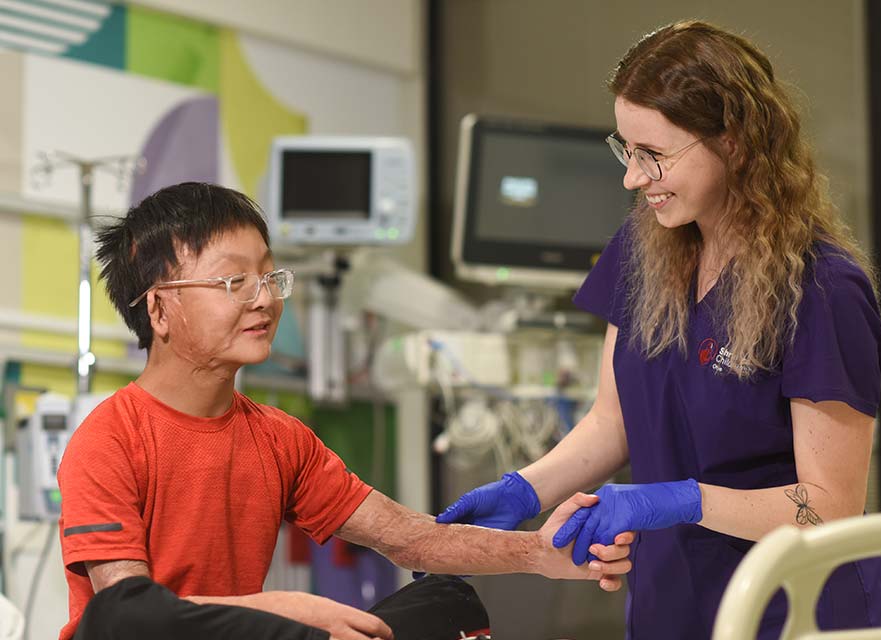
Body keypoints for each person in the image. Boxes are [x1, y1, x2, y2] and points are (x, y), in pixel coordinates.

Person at [437, 20, 881, 639]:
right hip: (671, 607)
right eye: (625, 149)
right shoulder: (642, 250)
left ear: (733, 143)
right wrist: (523, 489)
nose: (632, 176)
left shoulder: (820, 290)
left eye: (653, 154)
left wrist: (682, 499)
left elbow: (828, 507)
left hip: (793, 615)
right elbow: (612, 422)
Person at [56, 182, 634, 640]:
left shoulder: (279, 440)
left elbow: (411, 540)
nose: (265, 298)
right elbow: (125, 618)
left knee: (443, 601)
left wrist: (540, 553)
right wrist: (283, 614)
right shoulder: (110, 439)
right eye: (235, 281)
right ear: (159, 309)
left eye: (268, 275)